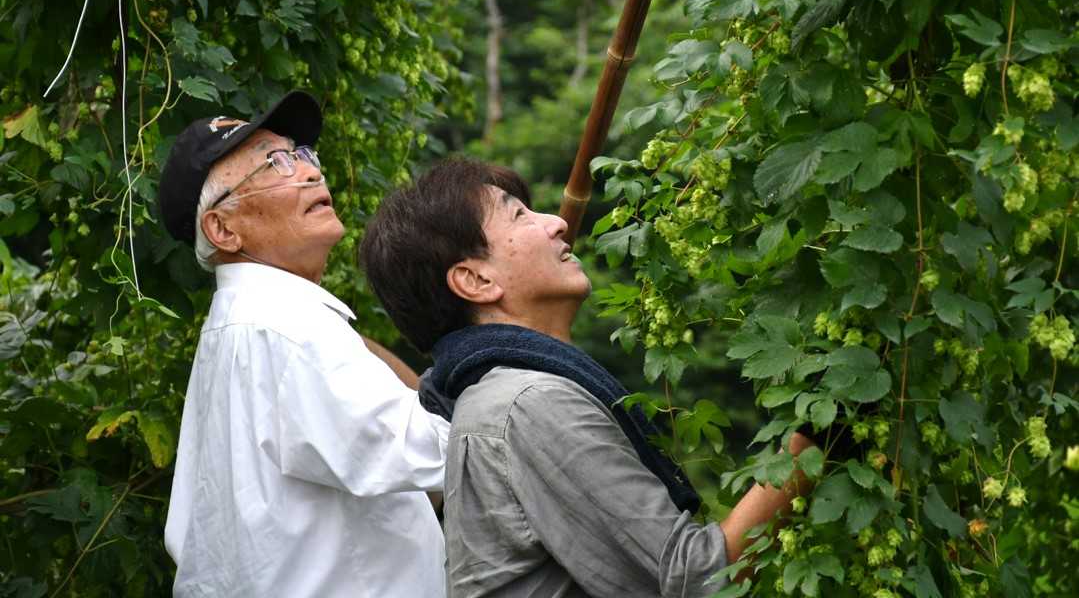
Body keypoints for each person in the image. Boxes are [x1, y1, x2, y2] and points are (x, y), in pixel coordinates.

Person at [361, 158, 816, 598]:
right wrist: (815, 438)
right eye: (520, 216)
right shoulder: (527, 404)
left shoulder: (504, 395)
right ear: (476, 281)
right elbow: (693, 579)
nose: (555, 224)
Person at [157, 91, 450, 597]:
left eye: (300, 154)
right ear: (223, 229)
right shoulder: (284, 326)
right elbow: (438, 452)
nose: (310, 172)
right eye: (273, 164)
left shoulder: (248, 324)